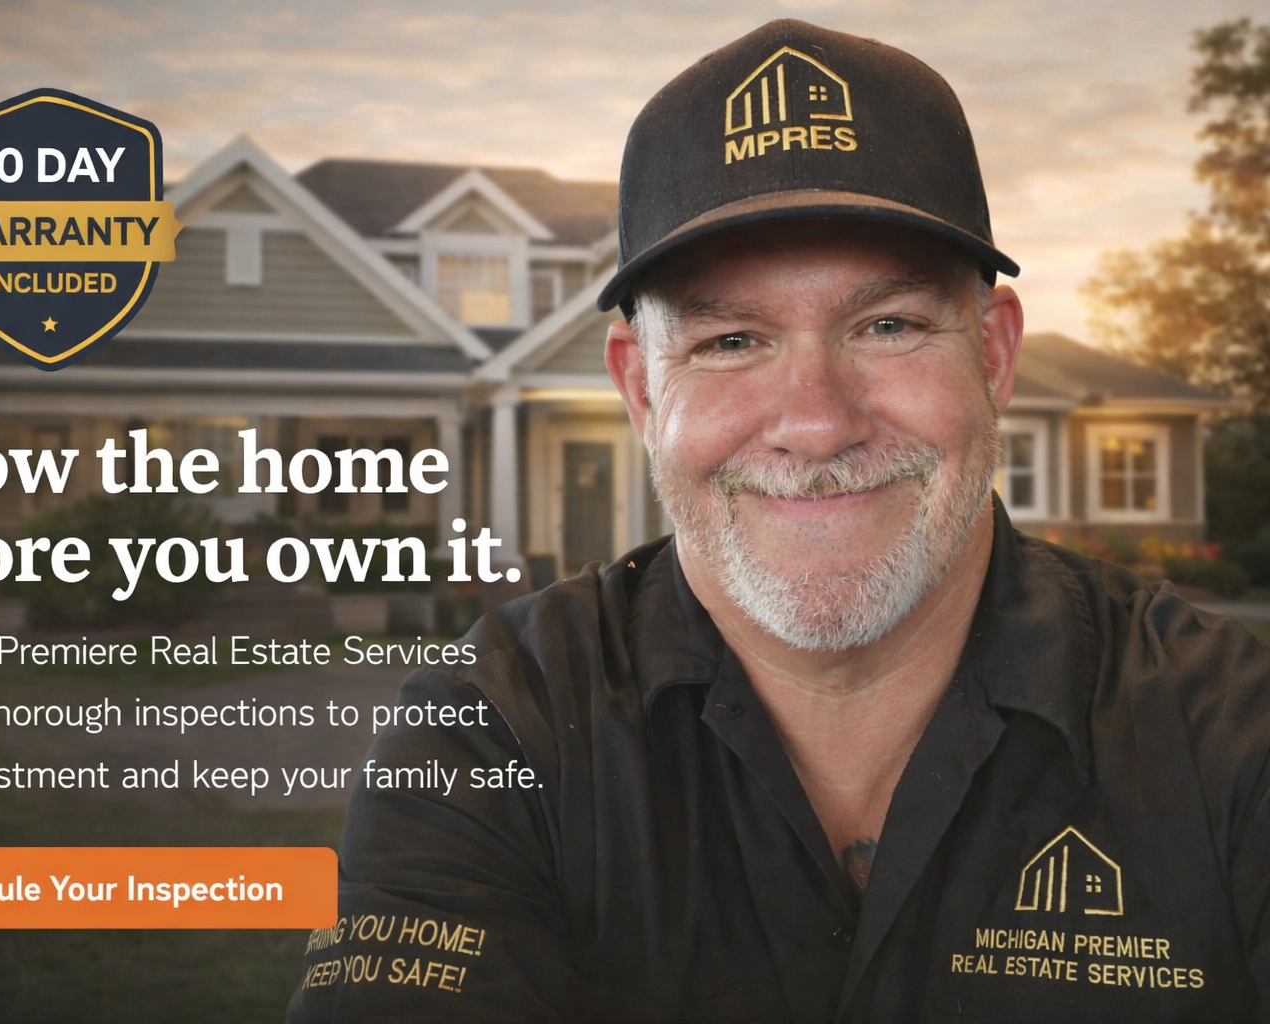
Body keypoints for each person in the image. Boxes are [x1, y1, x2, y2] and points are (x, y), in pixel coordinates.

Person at [286, 19, 1270, 1023]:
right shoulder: (493, 731)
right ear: (638, 388)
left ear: (995, 355)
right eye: (730, 339)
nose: (815, 423)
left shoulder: (1227, 731)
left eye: (888, 325)